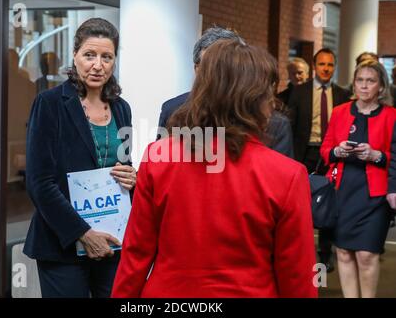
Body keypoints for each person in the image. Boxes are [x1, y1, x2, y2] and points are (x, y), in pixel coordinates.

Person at [111, 39, 317, 298]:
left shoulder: (158, 157)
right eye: (269, 93)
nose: (272, 103)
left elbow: (137, 255)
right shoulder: (287, 175)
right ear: (254, 99)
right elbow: (296, 276)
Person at [23, 18, 137, 298]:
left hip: (112, 240)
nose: (98, 65)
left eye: (106, 57)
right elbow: (40, 183)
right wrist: (83, 234)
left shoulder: (122, 109)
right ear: (74, 56)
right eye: (89, 55)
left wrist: (132, 176)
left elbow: (123, 163)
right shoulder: (50, 104)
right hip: (62, 242)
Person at [320, 59, 396, 298]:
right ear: (353, 84)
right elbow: (325, 149)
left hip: (374, 194)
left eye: (370, 81)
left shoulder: (392, 116)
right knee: (342, 252)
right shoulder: (340, 112)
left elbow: (394, 156)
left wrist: (375, 155)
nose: (364, 86)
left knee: (367, 254)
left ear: (381, 87)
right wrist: (337, 151)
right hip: (342, 190)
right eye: (360, 80)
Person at [158, 27, 294, 158]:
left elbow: (278, 175)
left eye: (227, 67)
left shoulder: (274, 123)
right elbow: (161, 166)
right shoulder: (173, 110)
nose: (219, 75)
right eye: (210, 67)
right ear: (197, 69)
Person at [288, 48, 352, 272]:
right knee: (300, 203)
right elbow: (291, 125)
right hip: (305, 154)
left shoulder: (343, 95)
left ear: (334, 67)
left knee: (328, 202)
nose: (326, 69)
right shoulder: (299, 92)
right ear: (315, 67)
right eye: (322, 64)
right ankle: (302, 251)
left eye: (330, 65)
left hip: (332, 155)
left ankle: (325, 254)